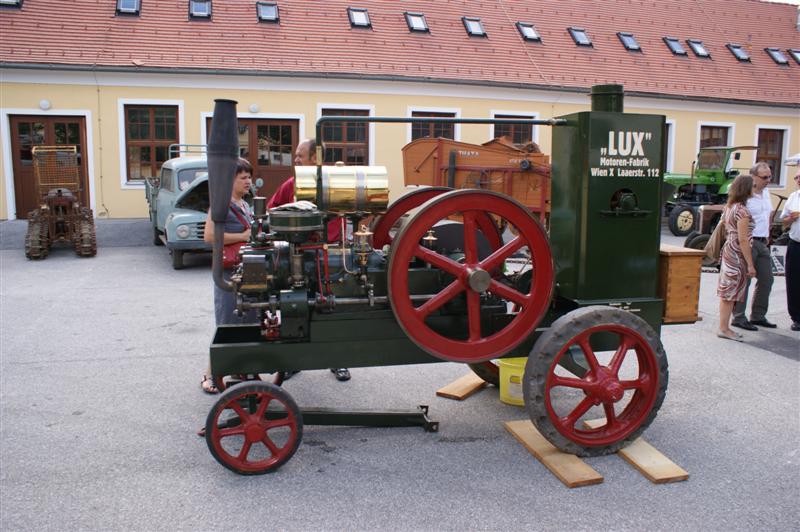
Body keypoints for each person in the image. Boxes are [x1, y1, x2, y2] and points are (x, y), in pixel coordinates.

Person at [268, 138, 351, 382]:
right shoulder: (291, 185)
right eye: (295, 155)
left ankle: (338, 360)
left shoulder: (337, 182)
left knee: (334, 307)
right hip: (300, 255)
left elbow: (363, 212)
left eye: (299, 155)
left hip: (332, 256)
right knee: (296, 307)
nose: (295, 160)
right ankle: (294, 360)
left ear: (315, 158)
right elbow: (273, 209)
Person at [200, 158, 256, 393]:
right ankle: (210, 375)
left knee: (248, 321)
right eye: (243, 177)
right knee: (227, 324)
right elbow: (210, 236)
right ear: (230, 180)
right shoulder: (221, 203)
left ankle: (241, 370)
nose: (248, 181)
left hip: (247, 273)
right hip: (228, 275)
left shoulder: (244, 204)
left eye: (249, 177)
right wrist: (242, 237)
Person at [731, 162, 776, 331]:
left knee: (767, 279)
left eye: (770, 176)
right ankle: (738, 317)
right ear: (753, 178)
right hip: (748, 242)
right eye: (765, 177)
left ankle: (758, 315)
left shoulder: (766, 193)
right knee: (745, 280)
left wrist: (769, 234)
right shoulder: (745, 197)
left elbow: (769, 214)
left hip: (763, 241)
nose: (768, 180)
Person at [717, 174, 756, 341]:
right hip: (736, 253)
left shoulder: (729, 207)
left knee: (727, 291)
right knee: (730, 293)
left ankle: (724, 326)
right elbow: (743, 239)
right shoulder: (742, 211)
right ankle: (724, 328)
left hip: (728, 249)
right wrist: (750, 264)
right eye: (752, 186)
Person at [780, 168, 800, 331]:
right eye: (796, 177)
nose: (798, 179)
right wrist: (790, 218)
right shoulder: (793, 197)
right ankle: (796, 317)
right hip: (795, 243)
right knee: (793, 281)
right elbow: (784, 223)